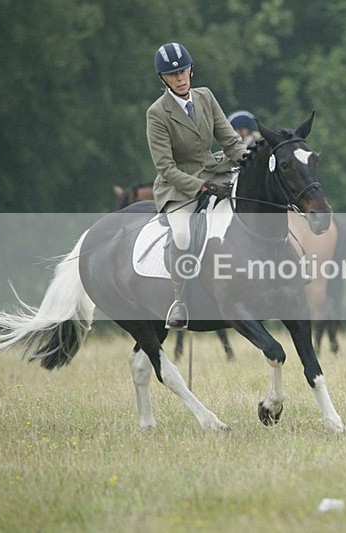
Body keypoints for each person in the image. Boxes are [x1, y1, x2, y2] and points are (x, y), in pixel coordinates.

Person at [147, 42, 248, 328]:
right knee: (182, 235)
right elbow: (165, 168)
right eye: (172, 75)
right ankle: (179, 301)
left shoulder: (205, 96)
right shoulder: (157, 113)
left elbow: (230, 141)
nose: (180, 78)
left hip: (215, 171)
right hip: (179, 187)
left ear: (191, 70)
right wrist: (202, 187)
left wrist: (249, 161)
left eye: (183, 71)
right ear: (163, 79)